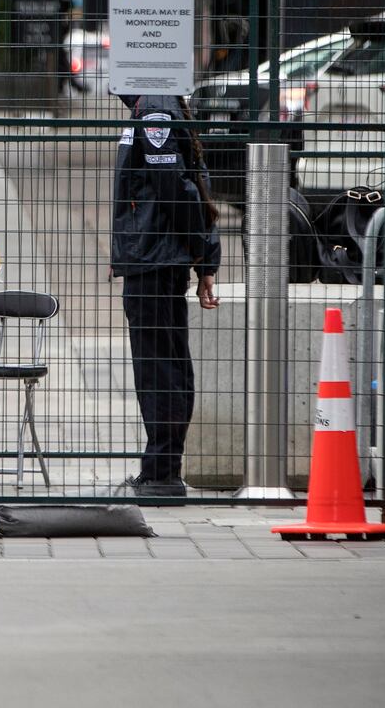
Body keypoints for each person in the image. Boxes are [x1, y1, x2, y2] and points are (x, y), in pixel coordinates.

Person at [111, 93, 221, 498]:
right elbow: (187, 185)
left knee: (160, 368)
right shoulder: (152, 105)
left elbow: (179, 189)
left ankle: (162, 473)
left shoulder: (154, 105)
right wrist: (203, 257)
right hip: (153, 255)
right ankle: (160, 468)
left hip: (155, 258)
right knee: (164, 364)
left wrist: (201, 256)